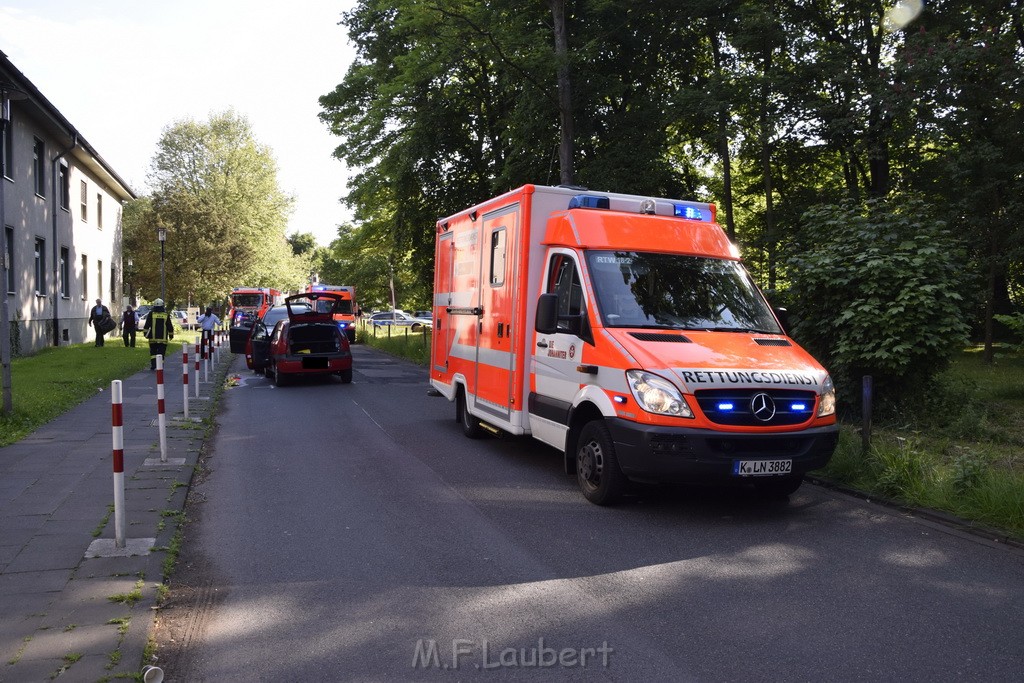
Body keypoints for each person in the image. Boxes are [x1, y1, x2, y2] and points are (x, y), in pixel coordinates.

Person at [143, 298, 174, 370]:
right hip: (163, 339)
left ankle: (153, 365)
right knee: (161, 353)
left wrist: (145, 334)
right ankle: (160, 366)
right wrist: (171, 335)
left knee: (153, 353)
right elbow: (169, 326)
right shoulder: (165, 314)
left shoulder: (151, 314)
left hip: (152, 338)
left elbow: (147, 325)